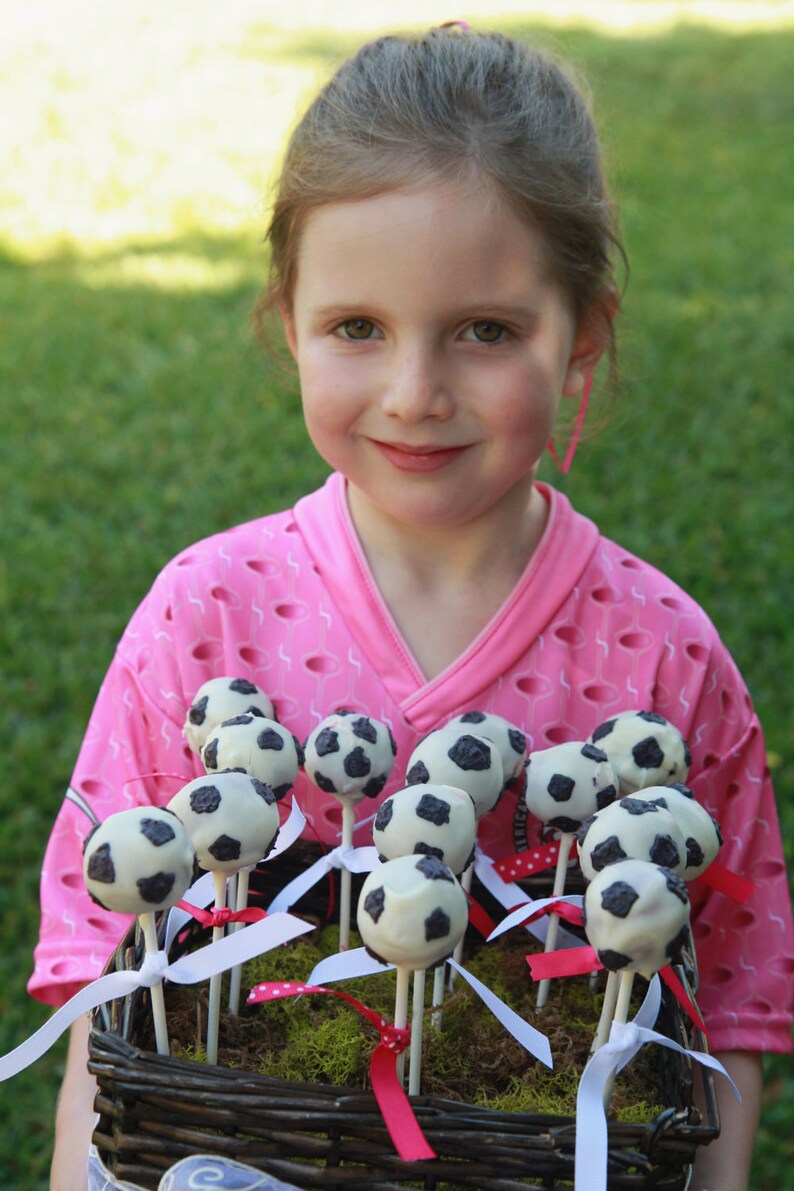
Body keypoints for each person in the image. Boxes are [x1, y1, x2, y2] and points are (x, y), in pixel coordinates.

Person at [30, 25, 792, 1191]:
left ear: (582, 334)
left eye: (485, 331)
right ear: (287, 321)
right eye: (357, 328)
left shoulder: (662, 658)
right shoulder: (206, 615)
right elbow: (108, 965)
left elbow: (730, 996)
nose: (414, 393)